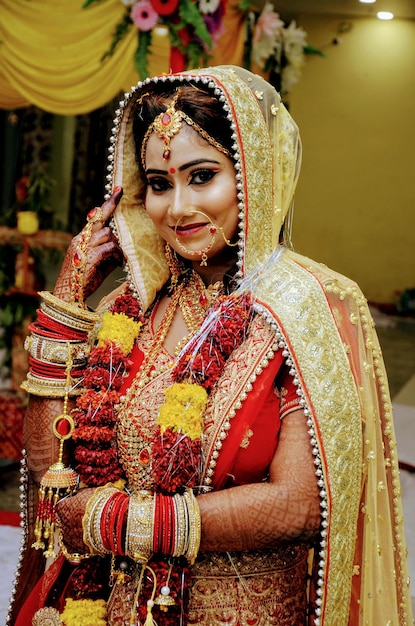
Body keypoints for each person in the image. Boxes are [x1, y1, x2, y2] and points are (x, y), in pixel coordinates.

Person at [7, 65, 413, 626]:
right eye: (157, 183)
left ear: (252, 174)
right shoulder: (133, 305)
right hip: (108, 608)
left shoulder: (310, 307)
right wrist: (69, 298)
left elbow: (298, 502)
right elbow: (54, 480)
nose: (177, 208)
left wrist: (124, 525)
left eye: (202, 177)